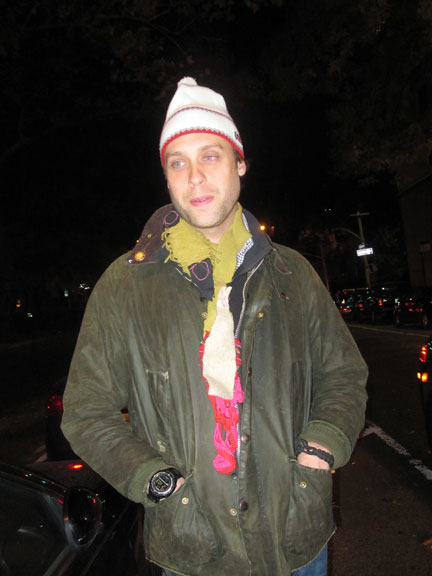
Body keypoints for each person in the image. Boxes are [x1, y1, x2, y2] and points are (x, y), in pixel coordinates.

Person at [62, 77, 368, 576]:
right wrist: (156, 481)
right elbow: (85, 411)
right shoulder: (124, 285)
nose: (195, 178)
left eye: (210, 155)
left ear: (240, 163)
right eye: (178, 163)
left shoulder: (291, 274)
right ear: (166, 178)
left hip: (296, 538)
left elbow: (343, 374)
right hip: (193, 549)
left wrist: (321, 447)